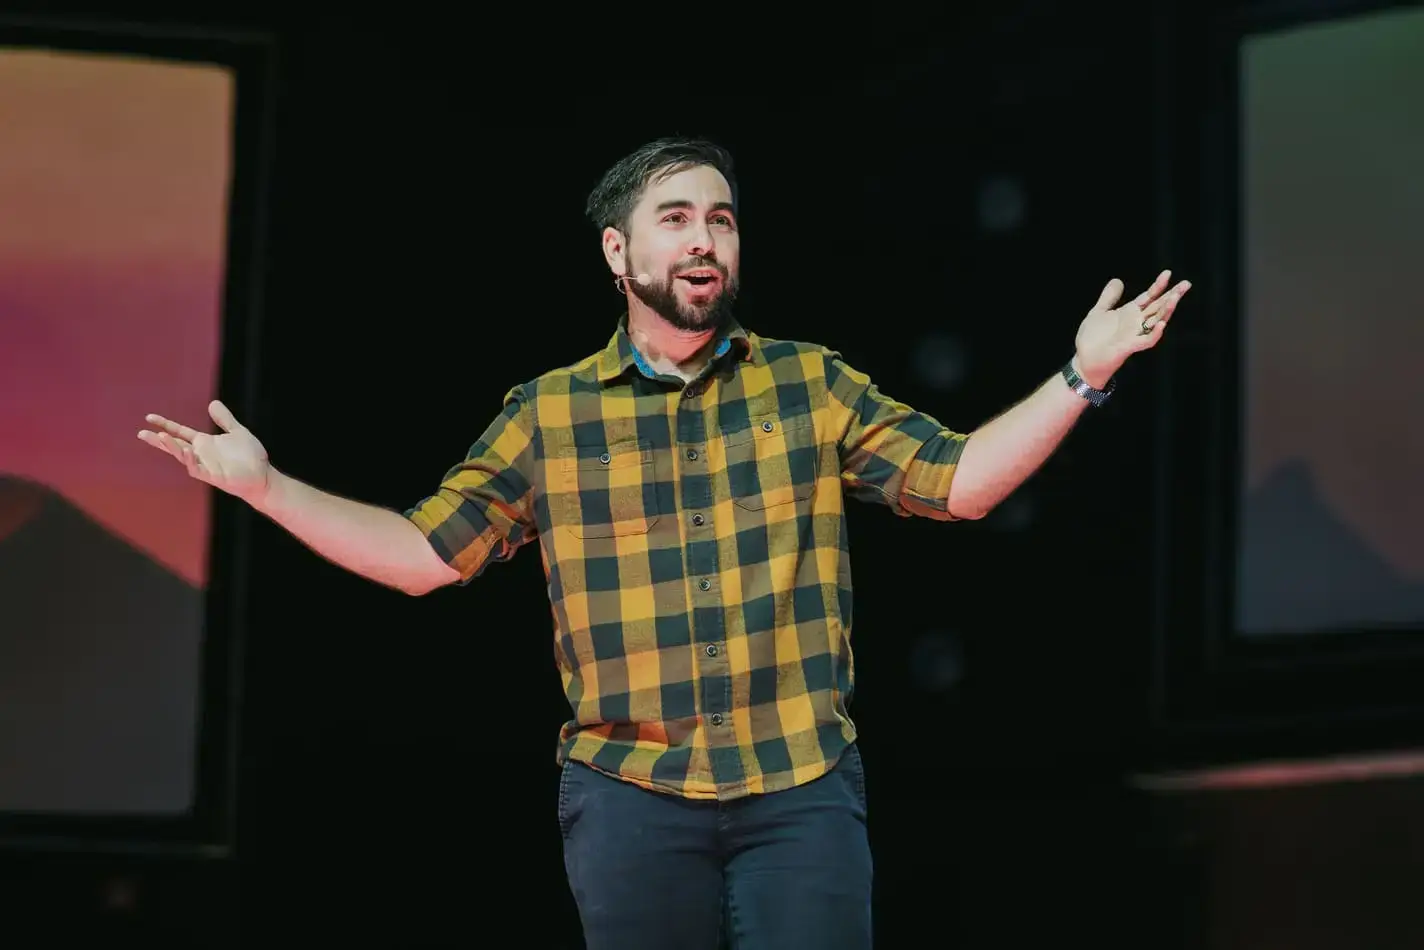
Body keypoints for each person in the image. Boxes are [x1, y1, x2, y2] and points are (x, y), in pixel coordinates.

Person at [138, 137, 1189, 949]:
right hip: (629, 792)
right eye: (676, 218)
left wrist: (1078, 378)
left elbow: (956, 483)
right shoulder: (550, 413)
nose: (703, 240)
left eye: (721, 221)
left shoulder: (808, 380)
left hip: (799, 786)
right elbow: (422, 555)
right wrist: (267, 487)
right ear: (616, 250)